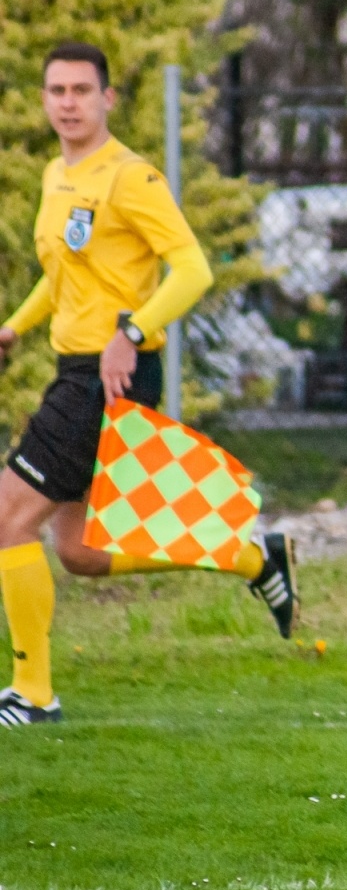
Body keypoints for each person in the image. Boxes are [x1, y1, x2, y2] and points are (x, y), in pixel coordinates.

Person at [0, 43, 298, 728]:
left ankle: (33, 695)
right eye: (56, 90)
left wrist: (130, 333)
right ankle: (249, 558)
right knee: (79, 551)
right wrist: (14, 327)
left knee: (8, 516)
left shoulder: (131, 177)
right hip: (76, 370)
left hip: (112, 374)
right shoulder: (56, 174)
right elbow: (64, 274)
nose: (68, 102)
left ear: (107, 99)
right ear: (44, 100)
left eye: (81, 90)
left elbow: (193, 270)